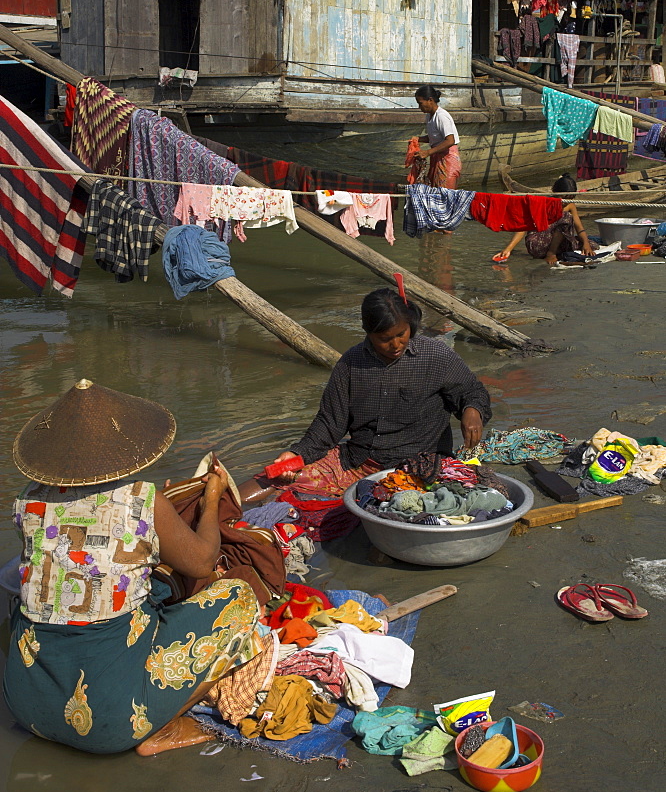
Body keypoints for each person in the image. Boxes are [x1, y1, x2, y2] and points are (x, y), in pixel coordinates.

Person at [3, 379, 263, 756]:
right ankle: (161, 727)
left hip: (26, 706)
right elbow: (204, 561)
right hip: (111, 724)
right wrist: (210, 500)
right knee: (238, 599)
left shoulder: (28, 502)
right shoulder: (141, 499)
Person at [247, 288, 491, 502]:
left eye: (401, 334)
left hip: (420, 467)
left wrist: (472, 411)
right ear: (368, 332)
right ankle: (219, 507)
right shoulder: (351, 363)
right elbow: (330, 424)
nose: (395, 344)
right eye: (384, 339)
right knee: (275, 478)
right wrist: (297, 453)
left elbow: (472, 392)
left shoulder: (436, 355)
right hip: (358, 463)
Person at [494, 175, 596, 266]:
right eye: (563, 198)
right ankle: (551, 253)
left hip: (556, 242)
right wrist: (508, 249)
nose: (565, 202)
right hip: (538, 245)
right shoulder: (541, 203)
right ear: (555, 192)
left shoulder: (570, 205)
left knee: (592, 245)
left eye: (570, 198)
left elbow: (579, 227)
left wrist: (586, 244)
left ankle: (554, 252)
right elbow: (523, 228)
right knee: (566, 217)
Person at [410, 84, 462, 189]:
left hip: (448, 159)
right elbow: (434, 137)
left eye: (420, 103)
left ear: (430, 100)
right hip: (438, 157)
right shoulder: (429, 116)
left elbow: (450, 140)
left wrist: (427, 152)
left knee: (445, 193)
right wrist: (418, 139)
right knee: (435, 190)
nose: (419, 107)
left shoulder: (441, 116)